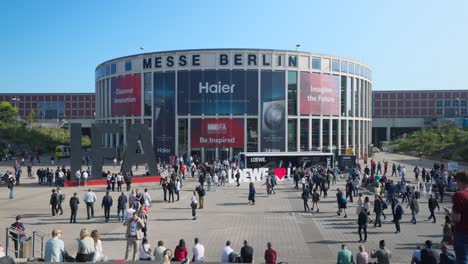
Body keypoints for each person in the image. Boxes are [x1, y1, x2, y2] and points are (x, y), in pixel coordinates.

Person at [451, 170, 468, 263]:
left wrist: (451, 215)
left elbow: (456, 218)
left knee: (462, 260)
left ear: (460, 181)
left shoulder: (459, 195)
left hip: (462, 233)